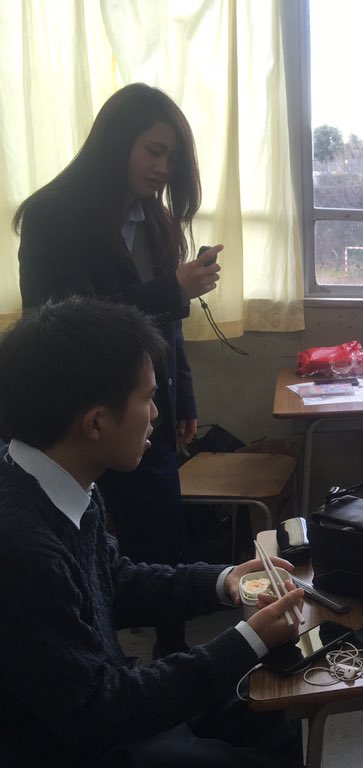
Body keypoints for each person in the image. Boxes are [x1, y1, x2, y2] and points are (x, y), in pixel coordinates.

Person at [0, 297, 304, 768]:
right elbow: (99, 709)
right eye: (147, 398)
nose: (157, 414)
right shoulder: (23, 547)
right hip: (70, 742)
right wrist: (247, 640)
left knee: (274, 707)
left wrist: (222, 581)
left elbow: (113, 580)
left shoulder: (64, 481)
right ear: (96, 422)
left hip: (102, 703)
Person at [13, 83, 223, 655]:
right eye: (153, 151)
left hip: (144, 408)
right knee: (75, 546)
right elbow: (64, 324)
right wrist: (171, 288)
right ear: (115, 142)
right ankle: (92, 659)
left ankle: (171, 657)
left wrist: (181, 398)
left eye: (171, 158)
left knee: (161, 542)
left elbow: (166, 327)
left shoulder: (154, 219)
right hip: (76, 416)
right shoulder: (54, 215)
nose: (162, 169)